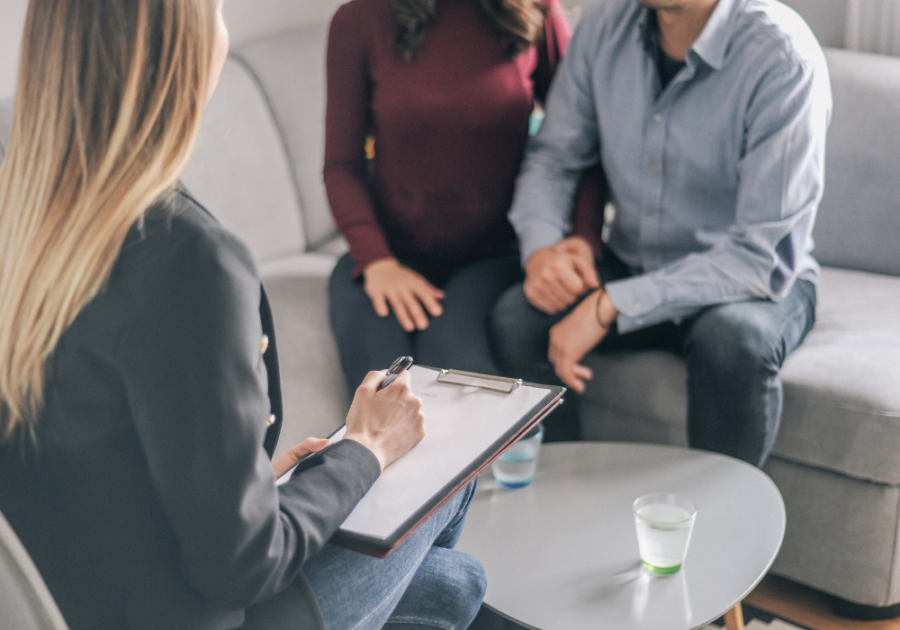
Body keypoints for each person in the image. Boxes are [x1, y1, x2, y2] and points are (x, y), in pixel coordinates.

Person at [0, 1, 485, 629]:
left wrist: (251, 479)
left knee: (453, 586)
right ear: (189, 51)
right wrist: (365, 447)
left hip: (84, 601)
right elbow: (242, 565)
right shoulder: (186, 258)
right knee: (451, 469)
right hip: (190, 611)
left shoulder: (23, 215)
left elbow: (93, 445)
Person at [490, 0, 831, 466]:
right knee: (517, 319)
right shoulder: (605, 26)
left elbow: (762, 257)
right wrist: (541, 252)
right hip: (635, 258)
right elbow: (554, 159)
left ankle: (721, 530)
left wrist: (612, 305)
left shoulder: (783, 56)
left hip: (744, 281)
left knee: (733, 341)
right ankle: (566, 498)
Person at [325, 0, 604, 396]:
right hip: (388, 254)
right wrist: (377, 261)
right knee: (380, 390)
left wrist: (584, 237)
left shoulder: (536, 12)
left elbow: (581, 145)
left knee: (457, 371)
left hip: (496, 255)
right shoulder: (358, 20)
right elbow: (341, 166)